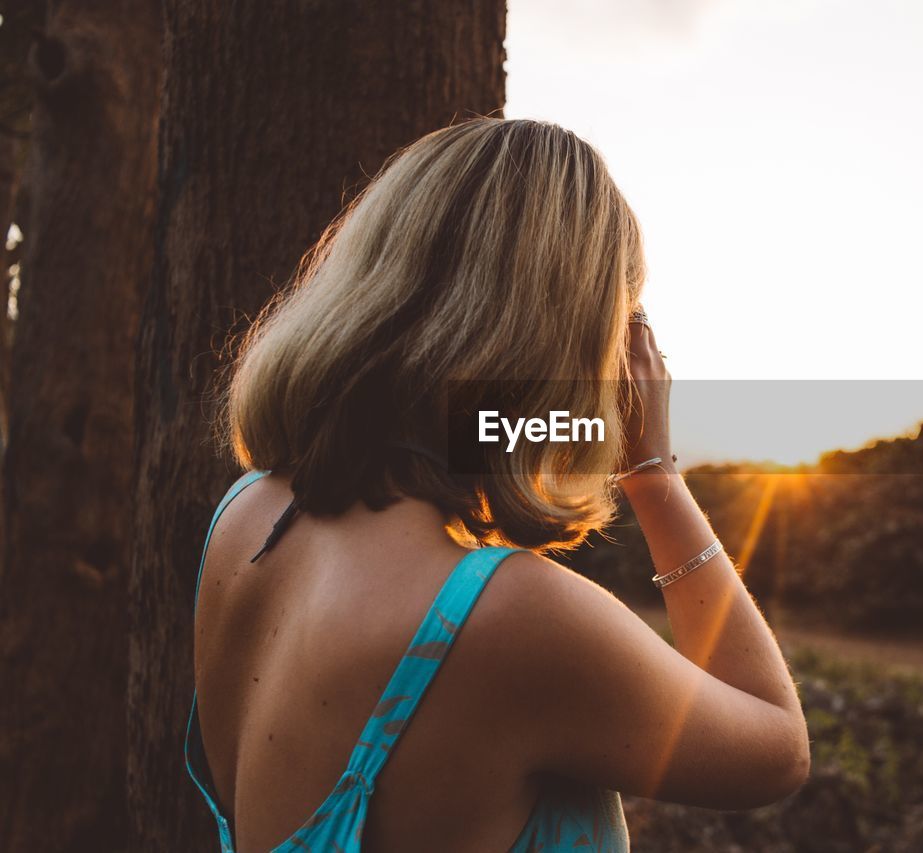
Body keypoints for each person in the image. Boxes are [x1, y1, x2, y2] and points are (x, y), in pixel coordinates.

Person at [185, 117, 810, 853]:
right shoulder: (509, 615)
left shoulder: (247, 513)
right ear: (565, 340)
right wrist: (653, 474)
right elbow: (778, 745)